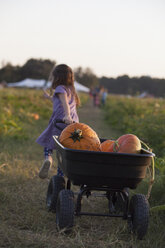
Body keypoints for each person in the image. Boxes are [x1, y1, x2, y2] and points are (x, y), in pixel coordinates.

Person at [36, 64, 80, 179]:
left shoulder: (60, 88)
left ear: (57, 77)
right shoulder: (71, 89)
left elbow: (64, 103)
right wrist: (48, 97)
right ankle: (60, 175)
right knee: (63, 148)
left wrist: (67, 115)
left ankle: (48, 159)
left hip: (62, 119)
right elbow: (60, 101)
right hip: (73, 122)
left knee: (48, 141)